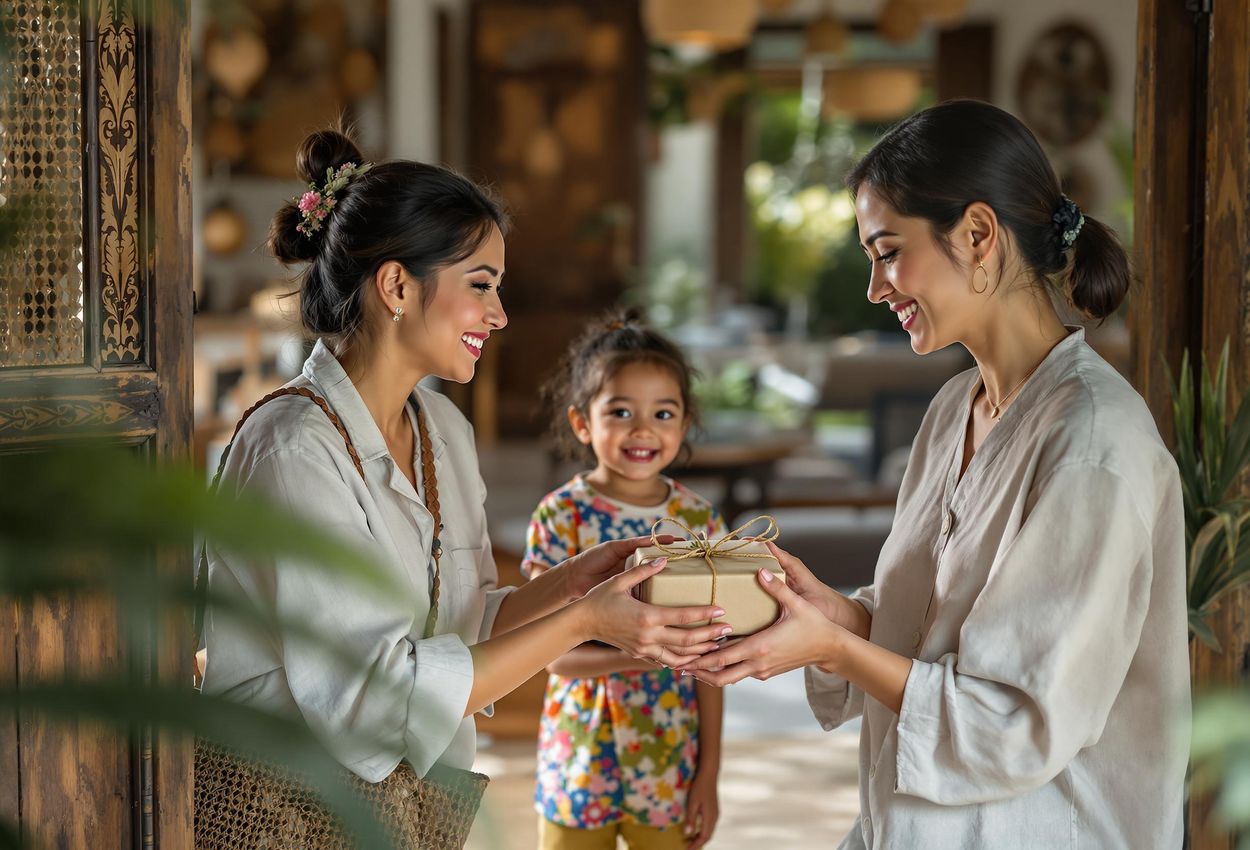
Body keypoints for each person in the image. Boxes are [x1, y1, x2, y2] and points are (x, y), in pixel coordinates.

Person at [683, 100, 1190, 850]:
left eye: (887, 251)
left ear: (978, 234)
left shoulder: (1092, 445)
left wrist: (833, 649)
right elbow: (932, 628)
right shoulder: (957, 407)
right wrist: (836, 616)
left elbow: (1014, 725)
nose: (874, 288)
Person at [200, 128, 730, 785]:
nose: (499, 315)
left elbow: (463, 629)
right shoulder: (293, 448)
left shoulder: (442, 429)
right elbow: (373, 705)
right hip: (286, 802)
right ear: (397, 286)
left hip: (402, 810)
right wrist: (584, 622)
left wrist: (577, 582)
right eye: (480, 285)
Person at [522, 311, 726, 850]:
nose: (642, 429)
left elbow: (713, 662)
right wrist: (646, 654)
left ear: (684, 424)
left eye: (663, 412)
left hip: (668, 761)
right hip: (577, 757)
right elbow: (551, 655)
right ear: (582, 423)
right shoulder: (561, 516)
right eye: (620, 411)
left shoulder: (700, 521)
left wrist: (708, 773)